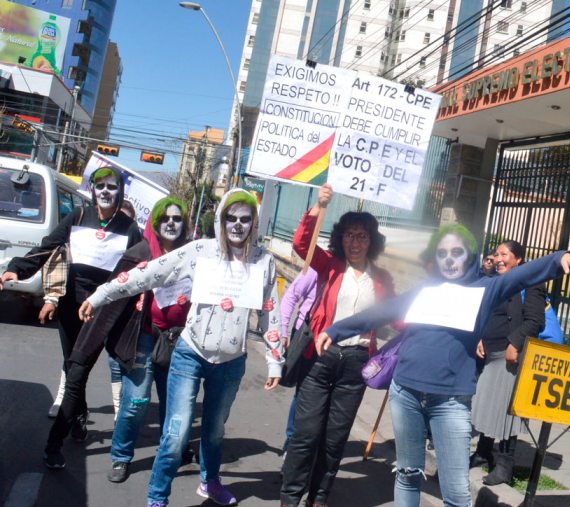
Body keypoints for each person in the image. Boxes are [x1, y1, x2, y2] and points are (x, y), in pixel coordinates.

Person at [315, 224, 570, 507]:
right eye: (442, 253)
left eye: (457, 251)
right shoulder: (426, 290)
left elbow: (521, 277)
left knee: (455, 491)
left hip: (451, 401)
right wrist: (335, 330)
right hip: (405, 393)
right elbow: (383, 311)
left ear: (470, 255)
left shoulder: (486, 288)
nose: (449, 258)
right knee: (407, 474)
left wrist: (558, 258)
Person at [80, 189, 283, 507]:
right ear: (221, 219)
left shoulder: (263, 262)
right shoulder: (199, 251)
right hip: (191, 353)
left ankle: (210, 481)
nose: (238, 225)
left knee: (215, 430)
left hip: (231, 361)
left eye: (245, 219)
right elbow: (148, 273)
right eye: (231, 218)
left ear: (254, 222)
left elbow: (272, 312)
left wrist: (275, 361)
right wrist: (100, 295)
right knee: (176, 432)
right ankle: (157, 495)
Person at [0, 167, 141, 457]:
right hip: (70, 306)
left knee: (77, 372)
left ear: (120, 192)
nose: (105, 191)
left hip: (101, 310)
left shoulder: (129, 228)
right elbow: (46, 248)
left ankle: (54, 444)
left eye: (111, 186)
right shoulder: (77, 216)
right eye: (99, 185)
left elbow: (140, 269)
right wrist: (16, 269)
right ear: (93, 189)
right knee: (72, 366)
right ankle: (79, 415)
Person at [280, 183, 395, 507]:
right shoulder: (329, 265)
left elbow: (398, 316)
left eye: (361, 236)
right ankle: (289, 499)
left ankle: (318, 498)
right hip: (320, 359)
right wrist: (319, 204)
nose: (354, 242)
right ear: (340, 238)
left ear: (371, 241)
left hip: (356, 365)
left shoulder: (382, 278)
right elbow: (302, 244)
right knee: (305, 436)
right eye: (348, 235)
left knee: (334, 441)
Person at [107, 197, 192, 483]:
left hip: (179, 341)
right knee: (135, 402)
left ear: (184, 225)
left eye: (177, 219)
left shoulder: (193, 255)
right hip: (146, 337)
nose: (171, 223)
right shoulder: (142, 251)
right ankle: (121, 456)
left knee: (175, 405)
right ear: (155, 222)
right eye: (165, 218)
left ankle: (172, 452)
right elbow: (117, 287)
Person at [470, 240, 547, 486]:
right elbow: (485, 314)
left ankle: (505, 466)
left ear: (518, 260)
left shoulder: (531, 283)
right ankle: (483, 452)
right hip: (489, 352)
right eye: (497, 254)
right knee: (486, 404)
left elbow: (535, 320)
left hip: (509, 355)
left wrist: (514, 344)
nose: (499, 258)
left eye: (505, 254)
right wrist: (480, 336)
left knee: (506, 412)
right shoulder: (494, 283)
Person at [279, 266, 318, 456]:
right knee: (302, 390)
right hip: (306, 334)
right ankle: (292, 442)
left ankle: (311, 443)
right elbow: (291, 296)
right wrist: (283, 331)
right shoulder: (316, 267)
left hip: (336, 340)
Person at [108, 198, 138, 419]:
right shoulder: (105, 242)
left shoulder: (139, 246)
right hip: (105, 307)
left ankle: (123, 409)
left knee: (121, 361)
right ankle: (118, 407)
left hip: (129, 311)